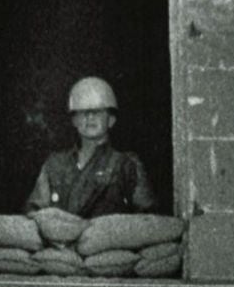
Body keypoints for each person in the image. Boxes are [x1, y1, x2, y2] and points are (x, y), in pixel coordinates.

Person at [26, 74, 155, 220]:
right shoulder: (55, 164)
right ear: (74, 120)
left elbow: (147, 218)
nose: (90, 117)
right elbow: (34, 212)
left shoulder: (126, 165)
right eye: (83, 112)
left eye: (98, 111)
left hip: (108, 241)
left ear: (111, 120)